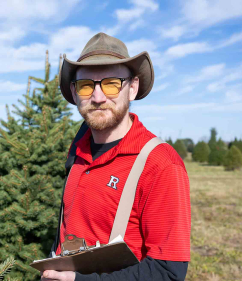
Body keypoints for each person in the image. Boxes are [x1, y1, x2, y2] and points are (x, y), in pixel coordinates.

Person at [41, 33, 191, 281]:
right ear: (74, 91)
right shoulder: (78, 148)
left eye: (111, 83)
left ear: (132, 88)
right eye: (87, 85)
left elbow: (168, 273)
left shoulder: (161, 164)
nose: (98, 97)